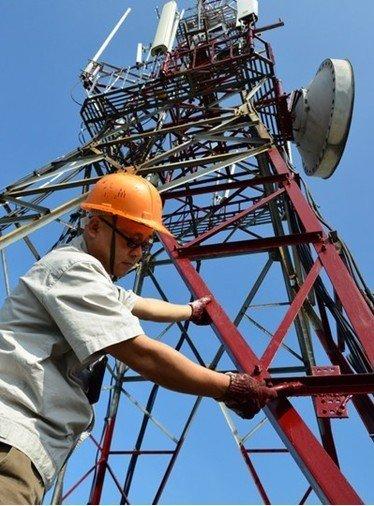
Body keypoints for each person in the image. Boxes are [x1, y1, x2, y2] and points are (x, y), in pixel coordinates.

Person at [0, 172, 277, 504]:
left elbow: (138, 304)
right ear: (94, 227)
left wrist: (190, 310)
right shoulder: (73, 270)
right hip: (11, 440)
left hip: (21, 443)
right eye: (132, 240)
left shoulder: (93, 279)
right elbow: (141, 354)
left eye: (146, 244)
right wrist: (228, 386)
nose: (137, 253)